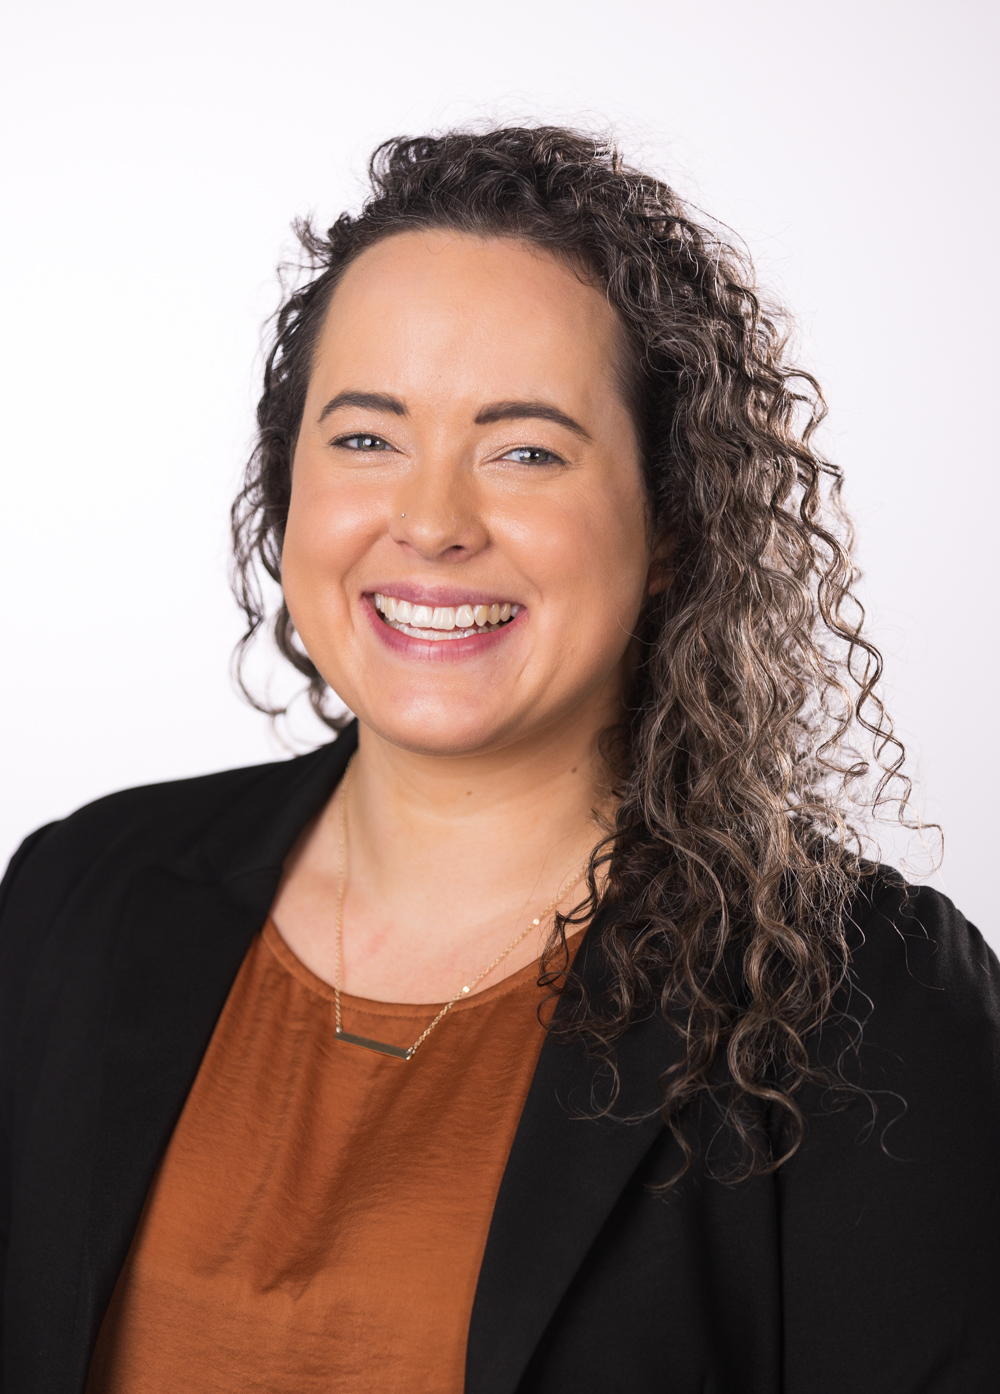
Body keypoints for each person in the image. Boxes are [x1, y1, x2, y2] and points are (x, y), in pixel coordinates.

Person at [1, 126, 998, 1394]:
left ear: (674, 524)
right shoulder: (76, 891)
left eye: (525, 449)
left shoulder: (867, 1001)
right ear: (286, 482)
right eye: (365, 438)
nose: (429, 519)